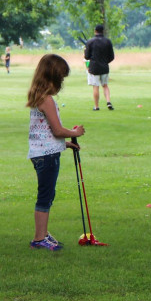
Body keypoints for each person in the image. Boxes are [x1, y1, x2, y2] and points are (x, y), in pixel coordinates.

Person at [26, 54, 85, 250]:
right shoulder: (47, 100)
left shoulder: (38, 97)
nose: (62, 82)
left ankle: (42, 234)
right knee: (45, 196)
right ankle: (39, 238)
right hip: (47, 157)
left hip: (41, 153)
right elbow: (57, 130)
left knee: (47, 195)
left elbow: (44, 133)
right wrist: (75, 133)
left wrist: (66, 144)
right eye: (62, 77)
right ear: (54, 76)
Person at [84, 24, 115, 111]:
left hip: (94, 68)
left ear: (95, 31)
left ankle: (96, 106)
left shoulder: (90, 42)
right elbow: (112, 56)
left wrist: (85, 51)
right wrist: (105, 62)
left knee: (96, 86)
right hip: (105, 67)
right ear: (103, 31)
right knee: (105, 85)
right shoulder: (108, 41)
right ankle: (108, 101)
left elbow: (86, 57)